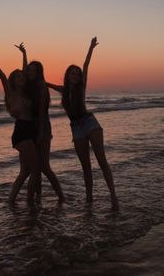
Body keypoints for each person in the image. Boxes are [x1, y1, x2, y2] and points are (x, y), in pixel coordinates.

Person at [47, 37, 119, 210]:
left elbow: (86, 65)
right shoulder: (63, 90)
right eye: (73, 73)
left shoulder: (81, 87)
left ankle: (113, 197)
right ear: (67, 75)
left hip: (90, 123)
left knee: (102, 161)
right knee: (85, 166)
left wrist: (91, 48)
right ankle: (89, 200)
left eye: (77, 74)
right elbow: (45, 83)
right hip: (76, 129)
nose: (76, 75)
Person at [0, 45, 39, 205]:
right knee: (35, 170)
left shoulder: (26, 93)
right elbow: (2, 76)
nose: (22, 78)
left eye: (23, 77)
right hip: (22, 132)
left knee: (25, 172)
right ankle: (30, 203)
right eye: (18, 77)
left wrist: (25, 53)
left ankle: (10, 201)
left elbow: (26, 71)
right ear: (13, 80)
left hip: (31, 131)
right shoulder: (10, 93)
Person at [15, 43, 64, 203]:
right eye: (30, 70)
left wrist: (41, 133)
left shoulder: (41, 86)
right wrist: (24, 54)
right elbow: (23, 73)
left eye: (34, 71)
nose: (30, 73)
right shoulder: (29, 85)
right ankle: (38, 198)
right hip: (30, 127)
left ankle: (61, 197)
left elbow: (42, 112)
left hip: (42, 127)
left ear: (39, 73)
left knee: (44, 167)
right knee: (34, 168)